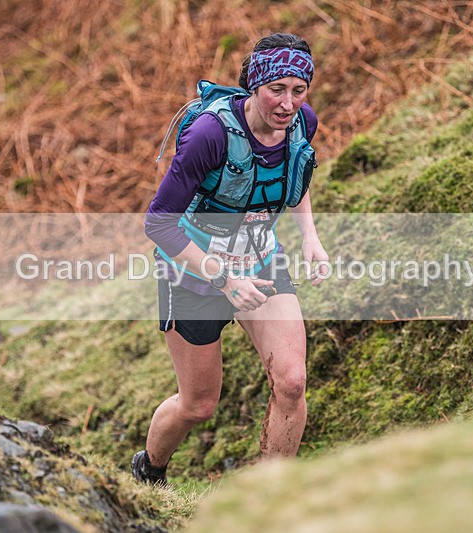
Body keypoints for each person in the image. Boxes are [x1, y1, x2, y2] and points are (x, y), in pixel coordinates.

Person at [133, 33, 328, 486]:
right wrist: (223, 277)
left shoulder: (302, 123)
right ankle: (149, 470)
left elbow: (295, 174)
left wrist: (310, 236)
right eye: (276, 89)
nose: (287, 103)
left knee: (292, 382)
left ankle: (265, 499)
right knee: (197, 404)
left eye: (299, 91)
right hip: (193, 273)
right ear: (254, 85)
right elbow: (158, 223)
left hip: (261, 261)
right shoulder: (210, 134)